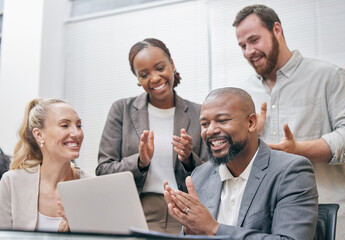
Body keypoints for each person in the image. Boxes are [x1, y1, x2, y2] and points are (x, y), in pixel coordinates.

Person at [232, 4, 345, 240]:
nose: (249, 51)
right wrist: (249, 137)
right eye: (243, 45)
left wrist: (298, 150)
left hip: (329, 221)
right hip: (269, 226)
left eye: (254, 40)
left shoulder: (330, 77)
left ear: (277, 30)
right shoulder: (244, 94)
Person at [164, 87, 318, 239]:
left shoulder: (292, 171)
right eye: (205, 124)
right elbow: (196, 232)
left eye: (222, 120)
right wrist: (191, 231)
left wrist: (214, 229)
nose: (210, 131)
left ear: (251, 122)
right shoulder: (200, 175)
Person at [96, 38, 207, 233]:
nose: (154, 78)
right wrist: (140, 162)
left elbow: (213, 175)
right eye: (144, 74)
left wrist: (189, 159)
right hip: (137, 212)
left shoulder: (199, 113)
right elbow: (103, 170)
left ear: (172, 65)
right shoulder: (121, 110)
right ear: (138, 80)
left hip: (186, 213)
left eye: (160, 68)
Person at [0, 98, 89, 232]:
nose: (76, 133)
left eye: (79, 126)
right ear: (39, 134)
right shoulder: (12, 183)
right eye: (64, 125)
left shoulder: (92, 187)